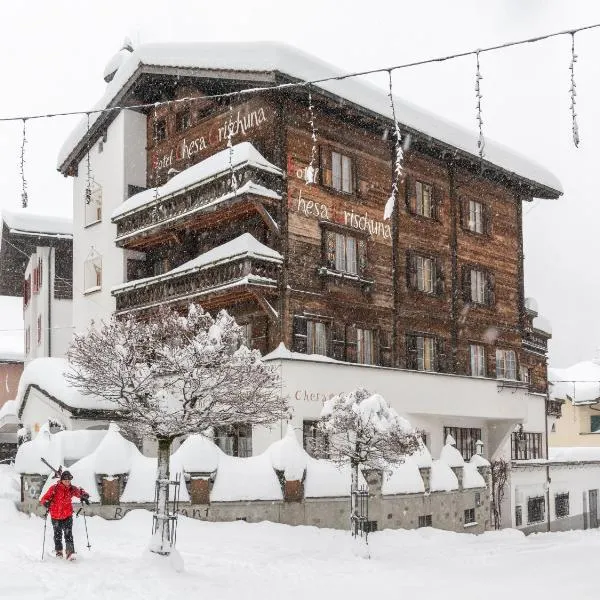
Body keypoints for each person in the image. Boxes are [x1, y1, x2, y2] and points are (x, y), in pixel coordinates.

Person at [39, 470, 90, 560]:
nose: (67, 482)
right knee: (57, 535)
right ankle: (59, 552)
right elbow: (44, 498)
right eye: (66, 481)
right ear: (61, 480)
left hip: (67, 515)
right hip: (56, 516)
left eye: (69, 481)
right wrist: (46, 502)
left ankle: (70, 552)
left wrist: (84, 495)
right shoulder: (54, 488)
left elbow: (79, 492)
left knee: (68, 534)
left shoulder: (71, 489)